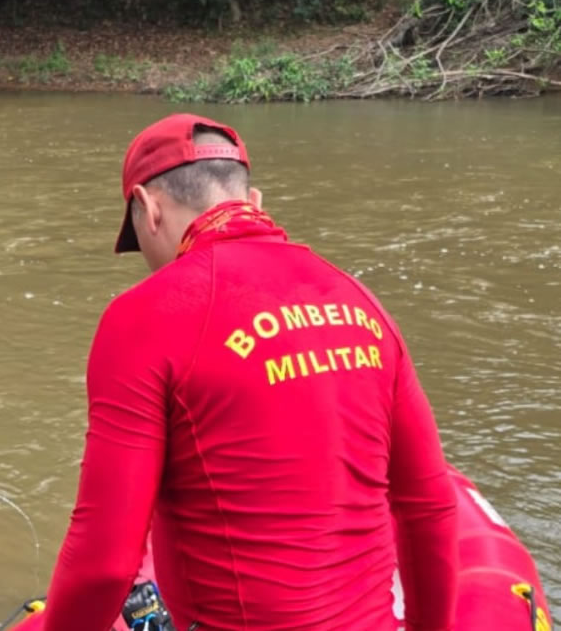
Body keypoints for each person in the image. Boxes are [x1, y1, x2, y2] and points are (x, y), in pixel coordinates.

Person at [40, 114, 459, 630]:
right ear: (253, 202)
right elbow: (430, 506)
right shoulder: (360, 301)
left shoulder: (143, 317)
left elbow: (104, 562)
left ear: (148, 210)